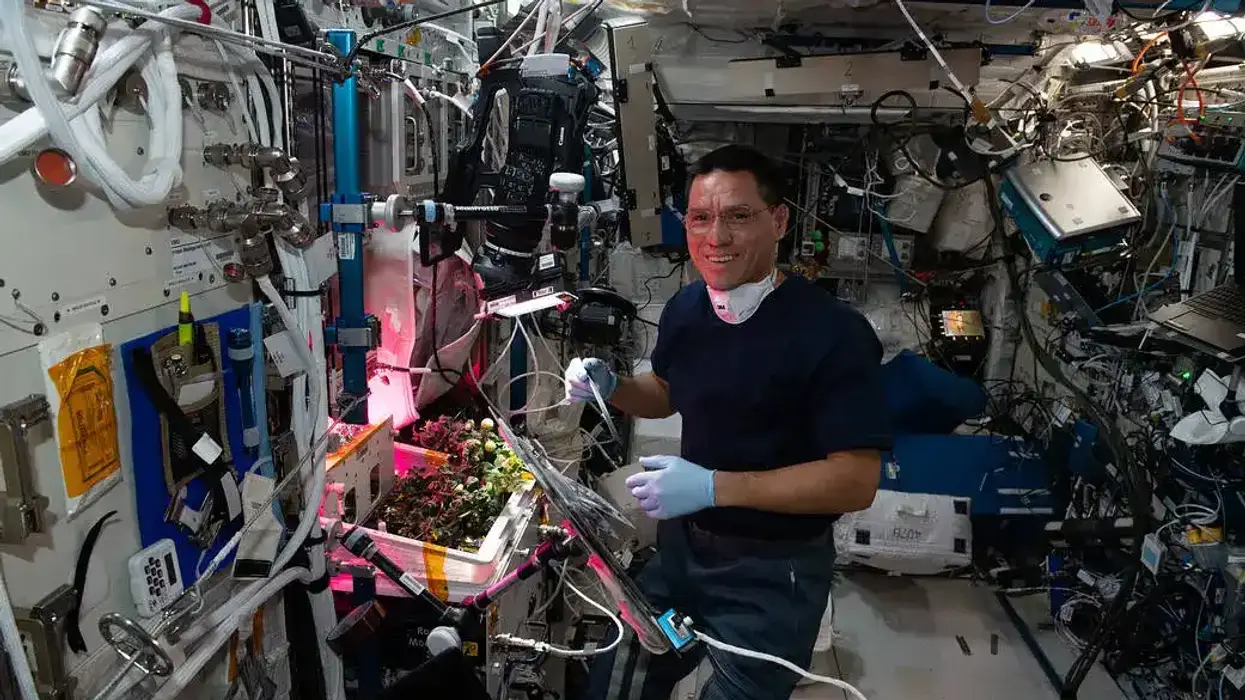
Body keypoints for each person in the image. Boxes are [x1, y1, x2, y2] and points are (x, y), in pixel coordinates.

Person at [562, 144, 892, 700]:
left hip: (771, 575)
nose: (715, 237)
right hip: (681, 556)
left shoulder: (833, 333)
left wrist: (713, 487)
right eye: (700, 217)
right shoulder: (688, 309)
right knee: (617, 681)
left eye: (739, 216)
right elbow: (667, 394)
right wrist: (614, 387)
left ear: (779, 221)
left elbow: (856, 479)